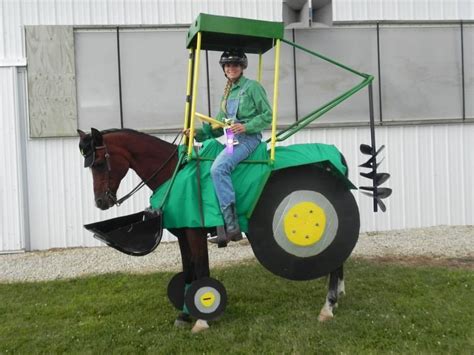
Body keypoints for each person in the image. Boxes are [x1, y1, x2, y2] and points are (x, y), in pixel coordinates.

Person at [186, 49, 272, 244]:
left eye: (235, 65)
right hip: (232, 140)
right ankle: (218, 225)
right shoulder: (226, 94)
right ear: (224, 69)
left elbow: (267, 115)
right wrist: (196, 133)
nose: (231, 68)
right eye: (227, 65)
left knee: (219, 168)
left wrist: (246, 126)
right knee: (208, 162)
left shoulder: (252, 87)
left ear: (242, 67)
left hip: (249, 140)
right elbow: (217, 127)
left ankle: (232, 226)